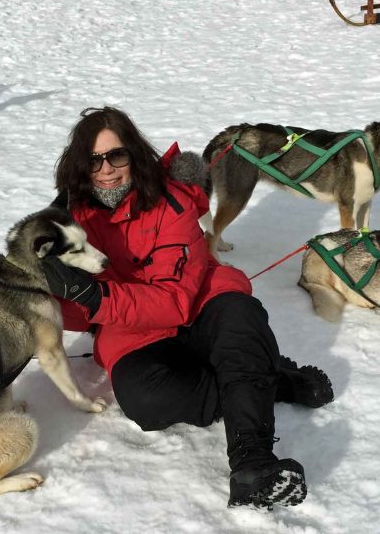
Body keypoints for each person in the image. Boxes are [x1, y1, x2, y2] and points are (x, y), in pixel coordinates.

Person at [41, 106, 334, 509]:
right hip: (131, 327)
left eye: (116, 155)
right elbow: (72, 313)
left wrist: (93, 296)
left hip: (199, 303)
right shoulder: (69, 221)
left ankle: (252, 463)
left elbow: (174, 302)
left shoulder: (170, 202)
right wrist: (48, 287)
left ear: (135, 156)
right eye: (94, 159)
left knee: (240, 321)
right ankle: (269, 378)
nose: (106, 168)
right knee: (146, 402)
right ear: (79, 165)